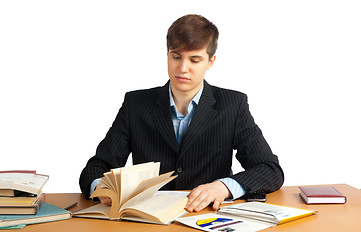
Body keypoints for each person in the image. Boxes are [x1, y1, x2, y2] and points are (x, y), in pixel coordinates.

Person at [79, 14, 284, 212]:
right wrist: (101, 187)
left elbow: (270, 169)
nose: (182, 68)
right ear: (167, 54)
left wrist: (225, 187)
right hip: (147, 221)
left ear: (211, 61)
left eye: (194, 60)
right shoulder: (135, 104)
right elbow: (96, 167)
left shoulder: (233, 105)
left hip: (206, 217)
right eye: (176, 57)